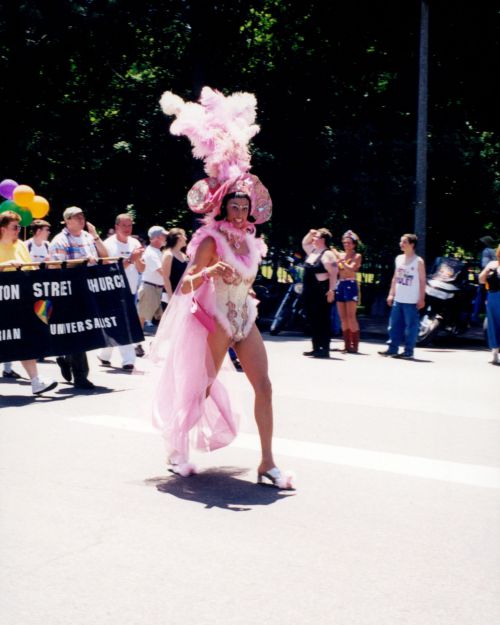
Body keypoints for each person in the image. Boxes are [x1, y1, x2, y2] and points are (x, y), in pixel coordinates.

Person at [150, 86, 293, 488]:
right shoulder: (210, 240)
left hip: (243, 319)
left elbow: (245, 278)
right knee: (202, 386)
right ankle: (177, 449)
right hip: (213, 320)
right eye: (235, 204)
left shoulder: (250, 239)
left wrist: (247, 292)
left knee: (264, 386)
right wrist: (208, 275)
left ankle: (267, 462)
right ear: (222, 205)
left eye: (245, 205)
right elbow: (185, 285)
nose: (241, 209)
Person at [49, 206, 108, 389]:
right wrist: (81, 264)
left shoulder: (87, 237)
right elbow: (57, 267)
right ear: (67, 220)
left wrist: (96, 236)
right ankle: (81, 376)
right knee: (79, 331)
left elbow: (104, 257)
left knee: (86, 330)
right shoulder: (60, 241)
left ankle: (66, 358)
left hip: (89, 288)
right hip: (70, 292)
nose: (82, 219)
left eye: (83, 216)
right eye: (77, 217)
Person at [0, 210, 57, 394]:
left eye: (19, 227)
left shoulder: (22, 246)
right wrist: (6, 264)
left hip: (21, 301)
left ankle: (36, 381)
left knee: (25, 340)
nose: (18, 230)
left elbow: (30, 268)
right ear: (2, 229)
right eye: (14, 227)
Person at [97, 213, 145, 370]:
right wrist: (131, 259)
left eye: (129, 225)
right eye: (123, 225)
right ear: (116, 227)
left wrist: (137, 260)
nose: (127, 229)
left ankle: (104, 354)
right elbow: (109, 269)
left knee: (116, 323)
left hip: (131, 289)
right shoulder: (108, 245)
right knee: (125, 323)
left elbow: (142, 268)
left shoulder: (134, 242)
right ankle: (128, 360)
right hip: (114, 290)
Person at [379, 233, 426, 359]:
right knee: (394, 325)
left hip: (411, 300)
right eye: (401, 242)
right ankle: (392, 348)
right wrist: (391, 294)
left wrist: (421, 298)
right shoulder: (398, 258)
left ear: (412, 244)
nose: (401, 244)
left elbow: (422, 281)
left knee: (411, 327)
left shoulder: (418, 261)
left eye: (404, 242)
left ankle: (408, 351)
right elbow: (395, 277)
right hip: (398, 298)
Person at [301, 228, 338, 358]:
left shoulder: (328, 254)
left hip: (320, 291)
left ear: (323, 240)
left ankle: (324, 348)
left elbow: (334, 273)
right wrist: (311, 233)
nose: (313, 239)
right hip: (309, 291)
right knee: (312, 319)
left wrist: (331, 290)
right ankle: (316, 347)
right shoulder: (313, 251)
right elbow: (304, 243)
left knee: (322, 320)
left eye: (316, 237)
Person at [334, 229, 363, 353]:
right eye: (345, 242)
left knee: (351, 316)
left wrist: (341, 261)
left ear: (354, 244)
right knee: (343, 317)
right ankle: (346, 344)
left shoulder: (357, 256)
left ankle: (355, 345)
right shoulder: (339, 255)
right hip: (340, 284)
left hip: (350, 284)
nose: (347, 245)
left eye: (349, 243)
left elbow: (352, 269)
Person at [137, 225, 167, 330]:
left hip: (157, 288)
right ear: (157, 237)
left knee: (163, 318)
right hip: (150, 288)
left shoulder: (157, 251)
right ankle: (137, 343)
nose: (166, 238)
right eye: (164, 236)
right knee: (142, 316)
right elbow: (163, 272)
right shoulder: (151, 253)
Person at [479, 244, 500, 365]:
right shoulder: (492, 264)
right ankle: (495, 352)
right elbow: (481, 280)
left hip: (494, 297)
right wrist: (487, 271)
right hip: (493, 296)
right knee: (493, 324)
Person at [472, 235, 497, 324]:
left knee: (480, 297)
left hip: (486, 277)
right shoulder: (492, 251)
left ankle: (475, 317)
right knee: (487, 297)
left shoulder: (486, 251)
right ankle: (487, 318)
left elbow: (484, 264)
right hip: (491, 278)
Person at [161, 227, 188, 301]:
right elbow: (165, 277)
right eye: (184, 235)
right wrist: (171, 297)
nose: (186, 238)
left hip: (182, 295)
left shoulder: (184, 255)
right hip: (171, 296)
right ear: (179, 238)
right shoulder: (168, 255)